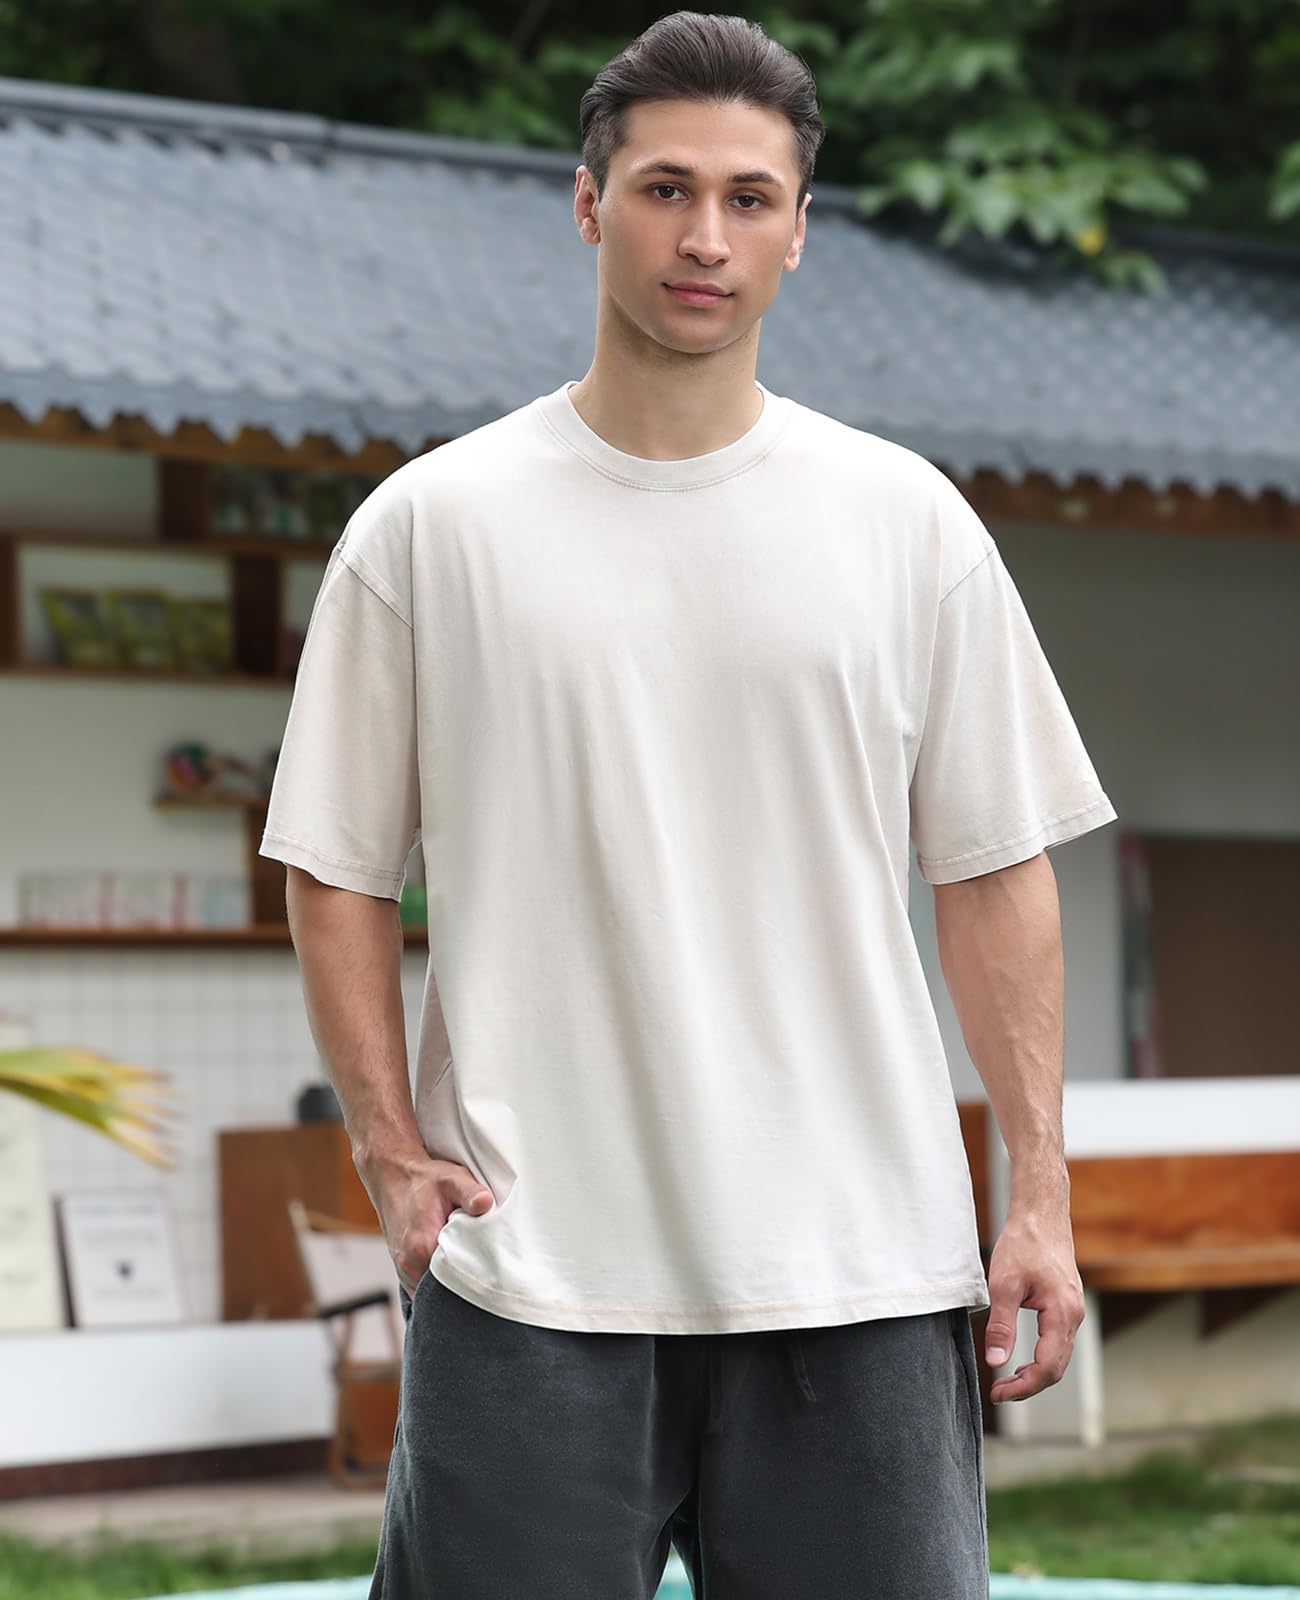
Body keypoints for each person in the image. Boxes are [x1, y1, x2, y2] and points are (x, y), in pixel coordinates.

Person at [260, 11, 1117, 1598]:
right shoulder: (432, 528)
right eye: (664, 190)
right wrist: (386, 1148)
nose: (703, 236)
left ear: (799, 230)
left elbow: (995, 872)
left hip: (861, 1271)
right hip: (532, 1274)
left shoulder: (908, 526)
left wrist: (1041, 1201)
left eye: (747, 198)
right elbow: (336, 866)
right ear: (589, 205)